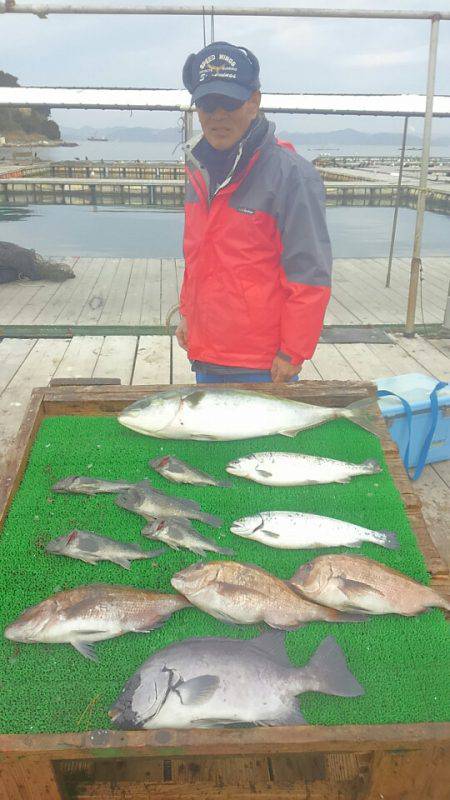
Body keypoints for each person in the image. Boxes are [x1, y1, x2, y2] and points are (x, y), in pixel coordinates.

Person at [176, 41, 332, 384]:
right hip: (206, 353)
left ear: (254, 101)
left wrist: (294, 350)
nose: (217, 114)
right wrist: (187, 314)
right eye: (207, 102)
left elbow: (310, 273)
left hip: (263, 364)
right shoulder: (198, 169)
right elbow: (197, 256)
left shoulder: (292, 176)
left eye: (229, 102)